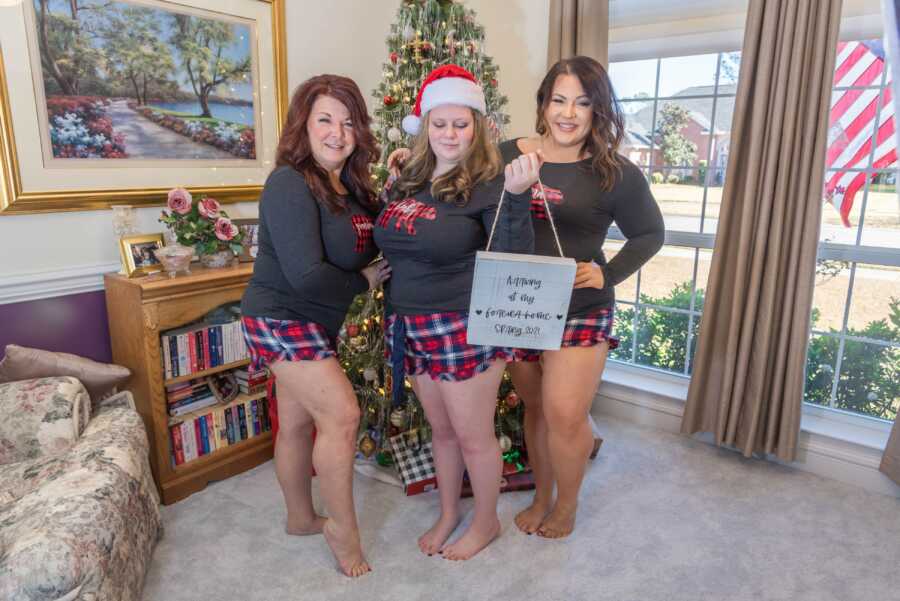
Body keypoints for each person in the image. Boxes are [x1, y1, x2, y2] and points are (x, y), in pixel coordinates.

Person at [374, 65, 541, 561]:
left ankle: (486, 522)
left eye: (460, 124)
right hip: (409, 322)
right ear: (425, 125)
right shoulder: (410, 179)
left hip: (462, 326)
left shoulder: (492, 184)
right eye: (440, 123)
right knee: (441, 432)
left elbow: (513, 256)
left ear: (478, 126)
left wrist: (516, 198)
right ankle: (449, 512)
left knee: (473, 437)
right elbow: (390, 232)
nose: (450, 134)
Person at [501, 56, 664, 538]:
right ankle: (541, 495)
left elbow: (649, 233)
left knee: (565, 413)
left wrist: (607, 273)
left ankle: (566, 507)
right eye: (559, 100)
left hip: (580, 308)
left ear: (597, 110)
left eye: (583, 102)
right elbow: (461, 191)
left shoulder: (614, 172)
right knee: (534, 408)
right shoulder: (510, 154)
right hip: (519, 303)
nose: (568, 113)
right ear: (544, 104)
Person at [240, 74, 390, 578]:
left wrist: (401, 186)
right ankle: (342, 532)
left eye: (348, 122)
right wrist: (365, 280)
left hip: (314, 322)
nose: (337, 132)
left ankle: (301, 518)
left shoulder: (348, 187)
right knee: (343, 416)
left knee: (300, 422)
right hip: (281, 316)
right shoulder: (289, 182)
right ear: (302, 125)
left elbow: (376, 232)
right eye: (325, 119)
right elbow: (306, 276)